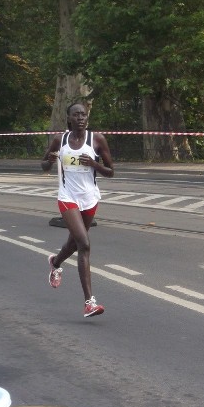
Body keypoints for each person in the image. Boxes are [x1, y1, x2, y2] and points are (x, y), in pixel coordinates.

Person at [41, 102, 115, 317]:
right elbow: (43, 165)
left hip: (90, 199)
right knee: (84, 243)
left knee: (74, 243)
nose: (81, 118)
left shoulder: (97, 140)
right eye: (76, 115)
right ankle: (89, 303)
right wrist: (50, 161)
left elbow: (111, 172)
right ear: (69, 119)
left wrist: (95, 164)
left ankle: (55, 262)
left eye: (84, 114)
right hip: (67, 198)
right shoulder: (60, 140)